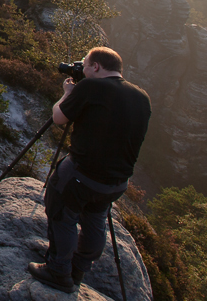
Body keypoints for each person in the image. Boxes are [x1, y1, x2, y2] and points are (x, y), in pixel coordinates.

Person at [27, 46, 151, 293]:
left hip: (83, 174)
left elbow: (59, 118)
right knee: (95, 220)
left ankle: (58, 271)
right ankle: (77, 270)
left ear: (95, 67)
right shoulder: (141, 96)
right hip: (116, 183)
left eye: (84, 66)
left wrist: (67, 94)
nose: (82, 70)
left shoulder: (91, 87)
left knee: (61, 211)